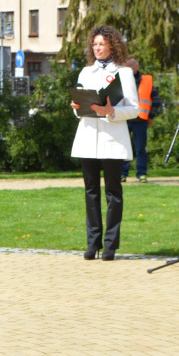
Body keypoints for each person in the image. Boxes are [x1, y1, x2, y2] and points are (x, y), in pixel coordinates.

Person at [70, 26, 140, 261]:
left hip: (113, 141)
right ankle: (92, 243)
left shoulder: (124, 73)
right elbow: (80, 109)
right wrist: (77, 108)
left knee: (113, 193)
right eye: (95, 44)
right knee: (91, 193)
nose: (97, 48)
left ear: (112, 45)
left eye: (101, 44)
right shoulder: (85, 72)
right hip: (88, 139)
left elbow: (134, 110)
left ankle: (110, 245)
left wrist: (112, 111)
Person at [120, 56, 160, 184]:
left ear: (137, 66)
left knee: (140, 149)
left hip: (141, 120)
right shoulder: (121, 81)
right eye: (127, 66)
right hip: (125, 119)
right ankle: (122, 174)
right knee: (123, 148)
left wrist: (151, 116)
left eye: (132, 65)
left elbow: (156, 100)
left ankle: (141, 174)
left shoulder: (147, 80)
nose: (130, 68)